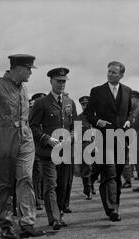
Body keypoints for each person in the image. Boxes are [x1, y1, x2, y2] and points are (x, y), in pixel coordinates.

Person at [0, 54, 43, 239]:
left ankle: (27, 223)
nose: (30, 72)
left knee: (26, 177)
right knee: (2, 183)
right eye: (28, 68)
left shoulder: (24, 88)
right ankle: (6, 225)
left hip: (24, 137)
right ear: (17, 68)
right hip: (1, 137)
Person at [84, 61, 132, 222]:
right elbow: (89, 113)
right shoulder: (97, 91)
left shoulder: (127, 91)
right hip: (103, 139)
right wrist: (98, 122)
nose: (110, 74)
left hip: (120, 139)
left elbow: (131, 113)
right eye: (109, 72)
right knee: (109, 173)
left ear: (121, 75)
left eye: (114, 72)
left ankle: (115, 205)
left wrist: (129, 121)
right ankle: (112, 208)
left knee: (117, 175)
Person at [29, 67, 76, 229]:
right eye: (58, 81)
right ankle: (54, 219)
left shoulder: (70, 102)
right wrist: (47, 139)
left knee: (63, 184)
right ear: (51, 81)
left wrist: (73, 135)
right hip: (48, 152)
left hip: (66, 151)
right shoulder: (41, 103)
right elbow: (33, 126)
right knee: (51, 185)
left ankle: (60, 213)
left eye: (64, 82)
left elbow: (74, 125)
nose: (61, 84)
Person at [29, 92, 47, 210]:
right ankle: (37, 200)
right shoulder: (29, 113)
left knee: (44, 176)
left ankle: (42, 198)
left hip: (45, 149)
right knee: (37, 176)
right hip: (33, 150)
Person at [75, 95, 94, 199]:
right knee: (86, 168)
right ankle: (88, 189)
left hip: (99, 145)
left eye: (87, 104)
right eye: (83, 104)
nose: (85, 106)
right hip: (85, 145)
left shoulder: (97, 116)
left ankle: (92, 186)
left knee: (96, 169)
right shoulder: (79, 118)